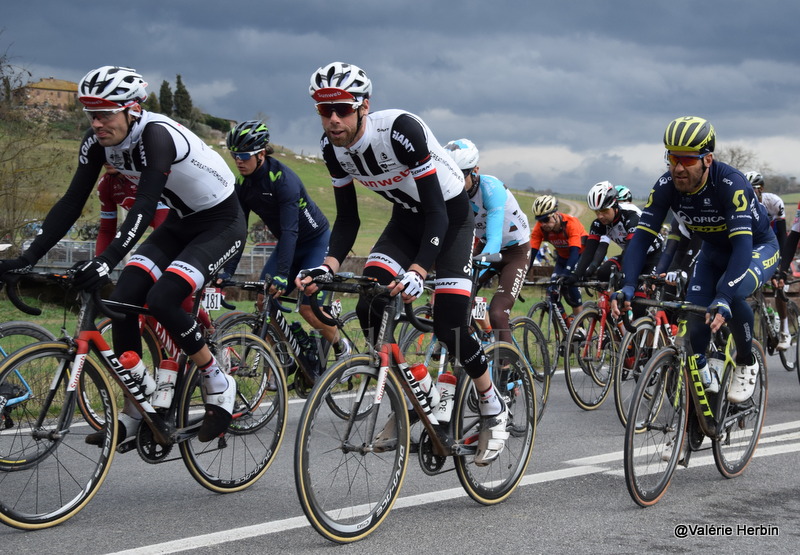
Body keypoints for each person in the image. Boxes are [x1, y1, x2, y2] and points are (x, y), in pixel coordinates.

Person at [0, 66, 246, 448]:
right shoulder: (98, 141)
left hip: (221, 223)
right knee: (121, 299)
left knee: (162, 298)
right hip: (182, 223)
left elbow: (145, 206)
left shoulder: (156, 135)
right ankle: (138, 407)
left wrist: (106, 259)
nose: (96, 124)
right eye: (91, 115)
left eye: (104, 114)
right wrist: (27, 257)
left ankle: (217, 379)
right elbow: (70, 203)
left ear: (131, 109)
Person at [296, 61, 506, 466]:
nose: (334, 119)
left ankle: (491, 403)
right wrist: (328, 266)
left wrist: (419, 270)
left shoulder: (399, 132)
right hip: (405, 222)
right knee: (369, 303)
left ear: (363, 106)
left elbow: (438, 214)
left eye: (342, 108)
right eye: (325, 110)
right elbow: (348, 219)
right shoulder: (331, 149)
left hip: (449, 218)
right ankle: (416, 392)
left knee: (450, 323)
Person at [612, 116, 778, 405]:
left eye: (687, 160)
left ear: (707, 159)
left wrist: (724, 296)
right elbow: (640, 239)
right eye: (673, 158)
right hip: (713, 252)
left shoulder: (731, 184)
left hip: (754, 249)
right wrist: (628, 285)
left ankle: (746, 359)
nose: (678, 168)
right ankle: (701, 396)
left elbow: (741, 246)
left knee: (732, 293)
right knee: (695, 318)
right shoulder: (665, 186)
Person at [219, 119, 349, 362]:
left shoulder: (283, 180)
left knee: (309, 309)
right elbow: (239, 230)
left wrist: (282, 274)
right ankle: (283, 357)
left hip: (315, 241)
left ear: (260, 154)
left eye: (244, 155)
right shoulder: (243, 184)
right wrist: (227, 270)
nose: (238, 160)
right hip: (290, 244)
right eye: (234, 154)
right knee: (262, 300)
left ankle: (343, 350)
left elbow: (290, 231)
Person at [443, 138, 530, 345]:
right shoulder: (452, 194)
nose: (454, 181)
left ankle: (506, 368)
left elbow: (494, 239)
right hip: (485, 247)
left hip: (514, 252)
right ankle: (478, 344)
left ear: (475, 170)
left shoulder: (491, 188)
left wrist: (468, 275)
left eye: (460, 175)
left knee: (499, 313)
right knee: (459, 301)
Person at [569, 181, 662, 286]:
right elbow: (589, 251)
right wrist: (576, 275)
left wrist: (623, 273)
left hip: (653, 255)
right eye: (597, 212)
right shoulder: (598, 224)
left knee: (640, 290)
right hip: (631, 253)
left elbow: (631, 249)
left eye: (604, 211)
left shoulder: (631, 217)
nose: (600, 216)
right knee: (604, 273)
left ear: (615, 205)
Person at [746, 170, 790, 350]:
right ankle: (767, 312)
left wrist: (781, 265)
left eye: (754, 189)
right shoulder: (742, 203)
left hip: (773, 243)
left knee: (778, 286)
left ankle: (785, 330)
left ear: (761, 189)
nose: (751, 192)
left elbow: (782, 235)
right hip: (754, 245)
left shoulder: (774, 202)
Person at [529, 194, 588, 322]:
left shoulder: (571, 223)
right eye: (540, 220)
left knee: (571, 287)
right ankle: (567, 326)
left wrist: (567, 273)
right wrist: (524, 272)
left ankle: (580, 329)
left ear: (555, 214)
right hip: (562, 258)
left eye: (546, 219)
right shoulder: (540, 228)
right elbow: (531, 253)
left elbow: (574, 252)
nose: (543, 224)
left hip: (579, 256)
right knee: (552, 292)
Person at [95, 164, 170, 255]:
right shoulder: (106, 183)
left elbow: (163, 226)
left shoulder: (145, 175)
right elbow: (107, 230)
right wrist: (98, 261)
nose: (107, 161)